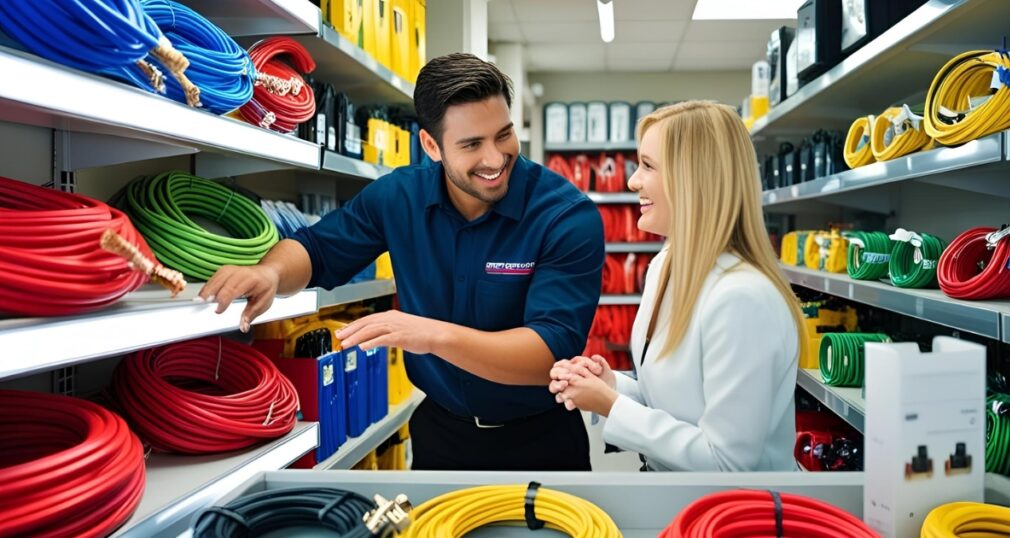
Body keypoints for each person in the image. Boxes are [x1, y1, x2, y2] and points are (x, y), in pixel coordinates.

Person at [198, 53, 604, 471]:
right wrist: (271, 272)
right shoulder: (399, 197)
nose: (496, 158)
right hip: (441, 438)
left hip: (543, 441)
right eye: (471, 144)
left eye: (504, 135)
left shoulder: (564, 216)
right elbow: (316, 249)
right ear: (431, 146)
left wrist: (432, 336)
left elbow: (551, 352)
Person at [549, 101, 803, 472]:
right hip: (675, 493)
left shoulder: (742, 299)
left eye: (648, 166)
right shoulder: (667, 265)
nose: (633, 181)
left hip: (736, 505)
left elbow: (729, 464)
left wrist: (611, 405)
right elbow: (675, 403)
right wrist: (611, 384)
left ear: (694, 179)